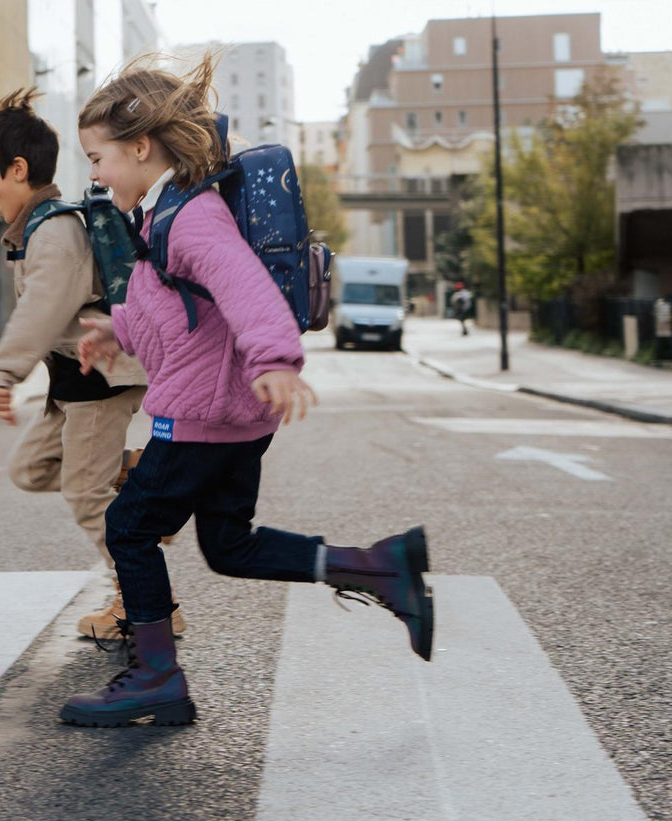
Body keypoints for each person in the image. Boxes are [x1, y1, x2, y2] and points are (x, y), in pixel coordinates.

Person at [62, 54, 435, 728]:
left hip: (201, 416)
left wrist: (273, 356)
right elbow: (182, 314)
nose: (93, 173)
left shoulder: (191, 217)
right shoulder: (166, 212)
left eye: (97, 157)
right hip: (232, 416)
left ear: (140, 147)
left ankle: (155, 675)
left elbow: (241, 285)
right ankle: (380, 567)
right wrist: (117, 328)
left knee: (128, 525)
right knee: (229, 546)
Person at [0, 88, 185, 641]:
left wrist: (3, 371)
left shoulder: (54, 233)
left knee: (88, 498)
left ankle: (143, 604)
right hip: (73, 383)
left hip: (100, 377)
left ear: (17, 170)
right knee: (31, 469)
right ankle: (134, 477)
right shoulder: (35, 230)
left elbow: (42, 311)